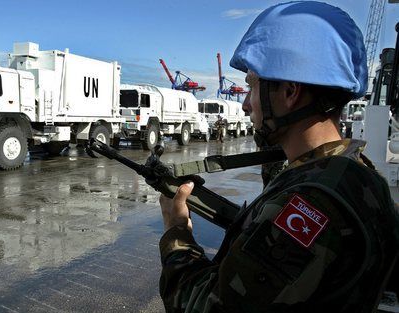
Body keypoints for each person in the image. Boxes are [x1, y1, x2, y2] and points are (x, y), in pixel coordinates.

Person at [158, 2, 399, 313]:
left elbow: (205, 307)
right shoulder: (360, 173)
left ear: (289, 92)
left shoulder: (311, 203)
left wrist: (176, 232)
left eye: (252, 86)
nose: (245, 105)